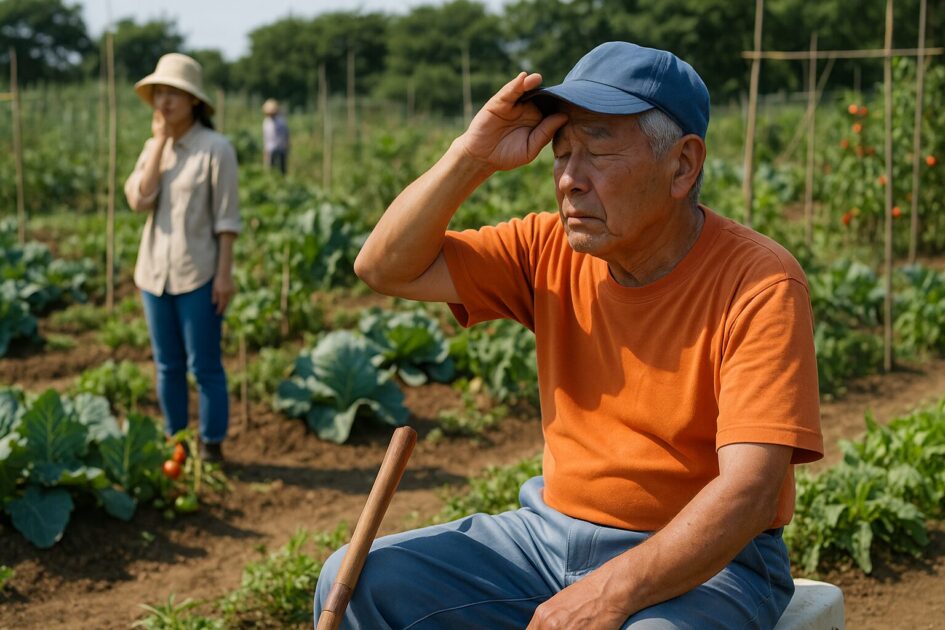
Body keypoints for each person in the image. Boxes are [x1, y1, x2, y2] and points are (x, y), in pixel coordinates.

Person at [314, 41, 824, 628]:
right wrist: (472, 155)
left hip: (713, 562)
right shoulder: (547, 248)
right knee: (355, 581)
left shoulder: (758, 282)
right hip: (547, 538)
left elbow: (749, 494)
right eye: (562, 152)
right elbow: (384, 267)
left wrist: (610, 593)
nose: (569, 180)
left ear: (683, 165)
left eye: (598, 150)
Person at [124, 53, 241, 463]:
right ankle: (176, 443)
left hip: (200, 273)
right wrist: (158, 143)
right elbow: (139, 200)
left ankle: (211, 445)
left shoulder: (216, 149)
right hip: (154, 273)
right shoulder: (152, 148)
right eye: (160, 92)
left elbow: (227, 218)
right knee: (166, 365)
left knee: (205, 365)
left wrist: (223, 275)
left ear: (194, 100)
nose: (165, 101)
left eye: (175, 92)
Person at [262, 98, 290, 174]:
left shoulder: (281, 121)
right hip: (270, 148)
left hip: (281, 147)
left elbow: (286, 134)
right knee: (270, 168)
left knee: (282, 168)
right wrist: (266, 151)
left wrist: (287, 145)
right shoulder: (266, 122)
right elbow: (266, 138)